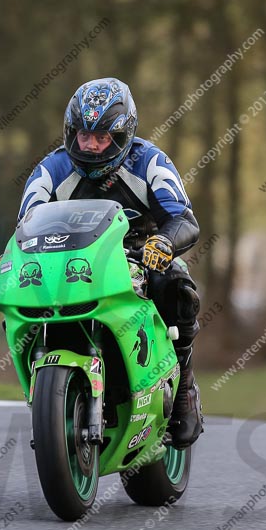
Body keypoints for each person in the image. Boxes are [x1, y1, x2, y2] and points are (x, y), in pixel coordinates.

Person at [17, 77, 203, 449]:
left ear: (123, 135)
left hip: (139, 253)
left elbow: (183, 217)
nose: (91, 146)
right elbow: (26, 224)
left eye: (101, 137)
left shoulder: (150, 161)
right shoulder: (50, 170)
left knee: (177, 288)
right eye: (83, 135)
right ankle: (48, 399)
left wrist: (163, 242)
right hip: (70, 261)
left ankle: (183, 391)